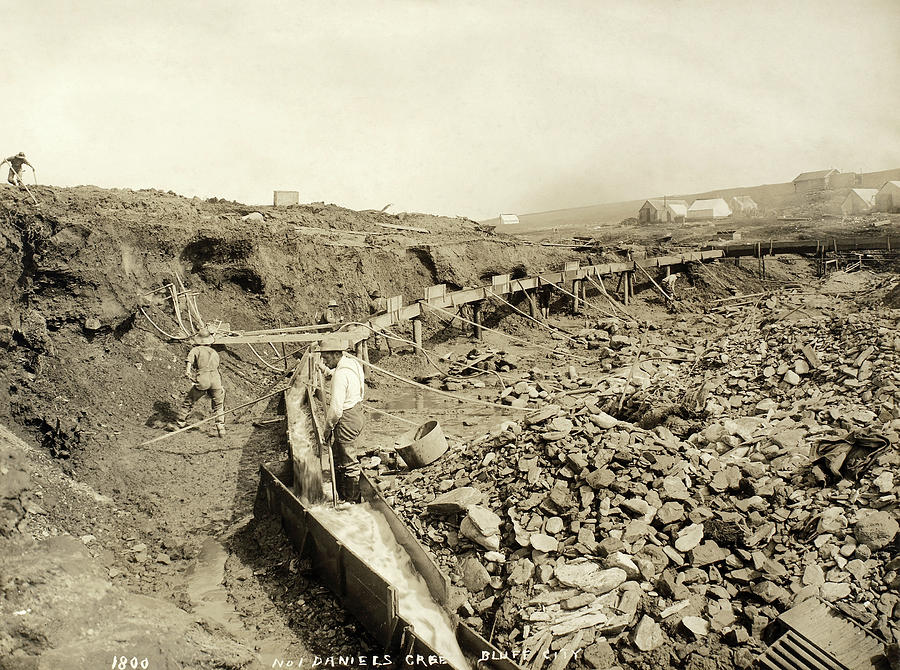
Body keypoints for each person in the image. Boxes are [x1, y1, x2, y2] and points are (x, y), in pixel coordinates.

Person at [320, 338, 365, 503]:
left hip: (346, 418)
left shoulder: (340, 375)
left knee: (348, 461)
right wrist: (326, 371)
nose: (324, 360)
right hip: (358, 411)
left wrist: (327, 429)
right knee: (339, 456)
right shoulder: (352, 364)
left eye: (326, 358)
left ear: (336, 354)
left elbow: (336, 410)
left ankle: (352, 501)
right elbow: (345, 379)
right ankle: (343, 496)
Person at [173, 328, 226, 437]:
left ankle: (180, 423)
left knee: (189, 400)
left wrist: (187, 371)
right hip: (216, 379)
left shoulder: (195, 350)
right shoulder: (215, 352)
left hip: (203, 379)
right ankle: (220, 426)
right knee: (218, 405)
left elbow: (189, 361)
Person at [368, 289, 391, 353]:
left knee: (377, 336)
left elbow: (371, 315)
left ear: (374, 297)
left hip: (377, 321)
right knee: (388, 334)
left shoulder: (372, 303)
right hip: (386, 320)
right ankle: (391, 349)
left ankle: (378, 350)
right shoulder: (386, 301)